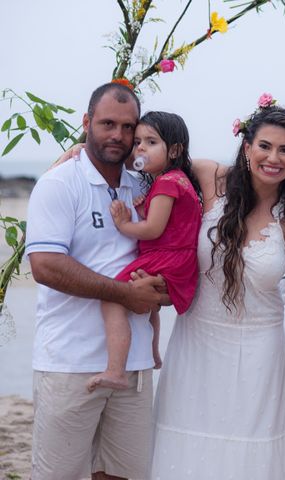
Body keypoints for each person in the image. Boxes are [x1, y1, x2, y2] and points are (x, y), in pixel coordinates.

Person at [149, 98, 285, 479]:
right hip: (196, 340)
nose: (273, 157)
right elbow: (149, 152)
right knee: (185, 440)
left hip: (259, 351)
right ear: (246, 147)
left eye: (284, 150)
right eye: (264, 146)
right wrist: (77, 152)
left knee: (248, 449)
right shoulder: (210, 179)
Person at [25, 82, 169, 480]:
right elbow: (46, 266)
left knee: (123, 474)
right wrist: (126, 293)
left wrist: (163, 289)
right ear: (86, 122)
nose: (118, 136)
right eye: (107, 124)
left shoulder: (143, 186)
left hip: (135, 364)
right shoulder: (59, 184)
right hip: (70, 362)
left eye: (128, 127)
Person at [87, 111, 202, 392]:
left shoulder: (165, 183)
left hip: (166, 255)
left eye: (151, 142)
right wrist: (143, 207)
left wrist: (125, 224)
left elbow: (152, 230)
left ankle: (115, 370)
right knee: (149, 306)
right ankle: (153, 354)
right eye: (137, 142)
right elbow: (174, 221)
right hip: (182, 258)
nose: (139, 149)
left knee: (112, 298)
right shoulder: (179, 179)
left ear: (174, 150)